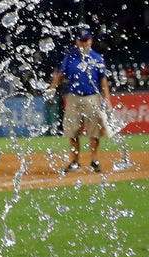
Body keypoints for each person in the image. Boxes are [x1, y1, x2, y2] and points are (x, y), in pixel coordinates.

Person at [47, 25, 111, 172]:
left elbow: (103, 82)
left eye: (86, 40)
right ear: (76, 41)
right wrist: (52, 88)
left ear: (91, 41)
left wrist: (107, 102)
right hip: (74, 97)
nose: (84, 43)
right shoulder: (70, 57)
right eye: (81, 41)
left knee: (94, 132)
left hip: (92, 97)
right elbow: (61, 75)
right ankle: (75, 161)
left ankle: (94, 160)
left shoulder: (97, 58)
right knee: (72, 131)